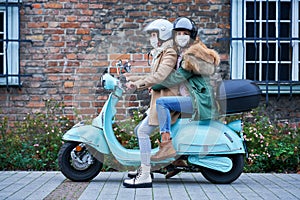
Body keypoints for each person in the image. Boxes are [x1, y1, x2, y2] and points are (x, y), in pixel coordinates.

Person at [150, 17, 220, 163]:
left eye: (185, 33)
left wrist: (154, 85)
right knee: (172, 119)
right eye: (179, 33)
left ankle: (166, 145)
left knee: (162, 103)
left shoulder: (192, 57)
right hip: (191, 97)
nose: (181, 36)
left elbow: (176, 78)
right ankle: (177, 160)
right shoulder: (183, 53)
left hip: (195, 100)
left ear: (191, 35)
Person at [123, 19, 180, 188]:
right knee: (138, 130)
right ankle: (144, 167)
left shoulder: (170, 53)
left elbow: (159, 77)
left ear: (163, 34)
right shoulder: (161, 52)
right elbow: (151, 75)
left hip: (167, 100)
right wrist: (130, 78)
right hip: (159, 99)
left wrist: (138, 84)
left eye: (154, 35)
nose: (152, 39)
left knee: (142, 132)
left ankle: (146, 174)